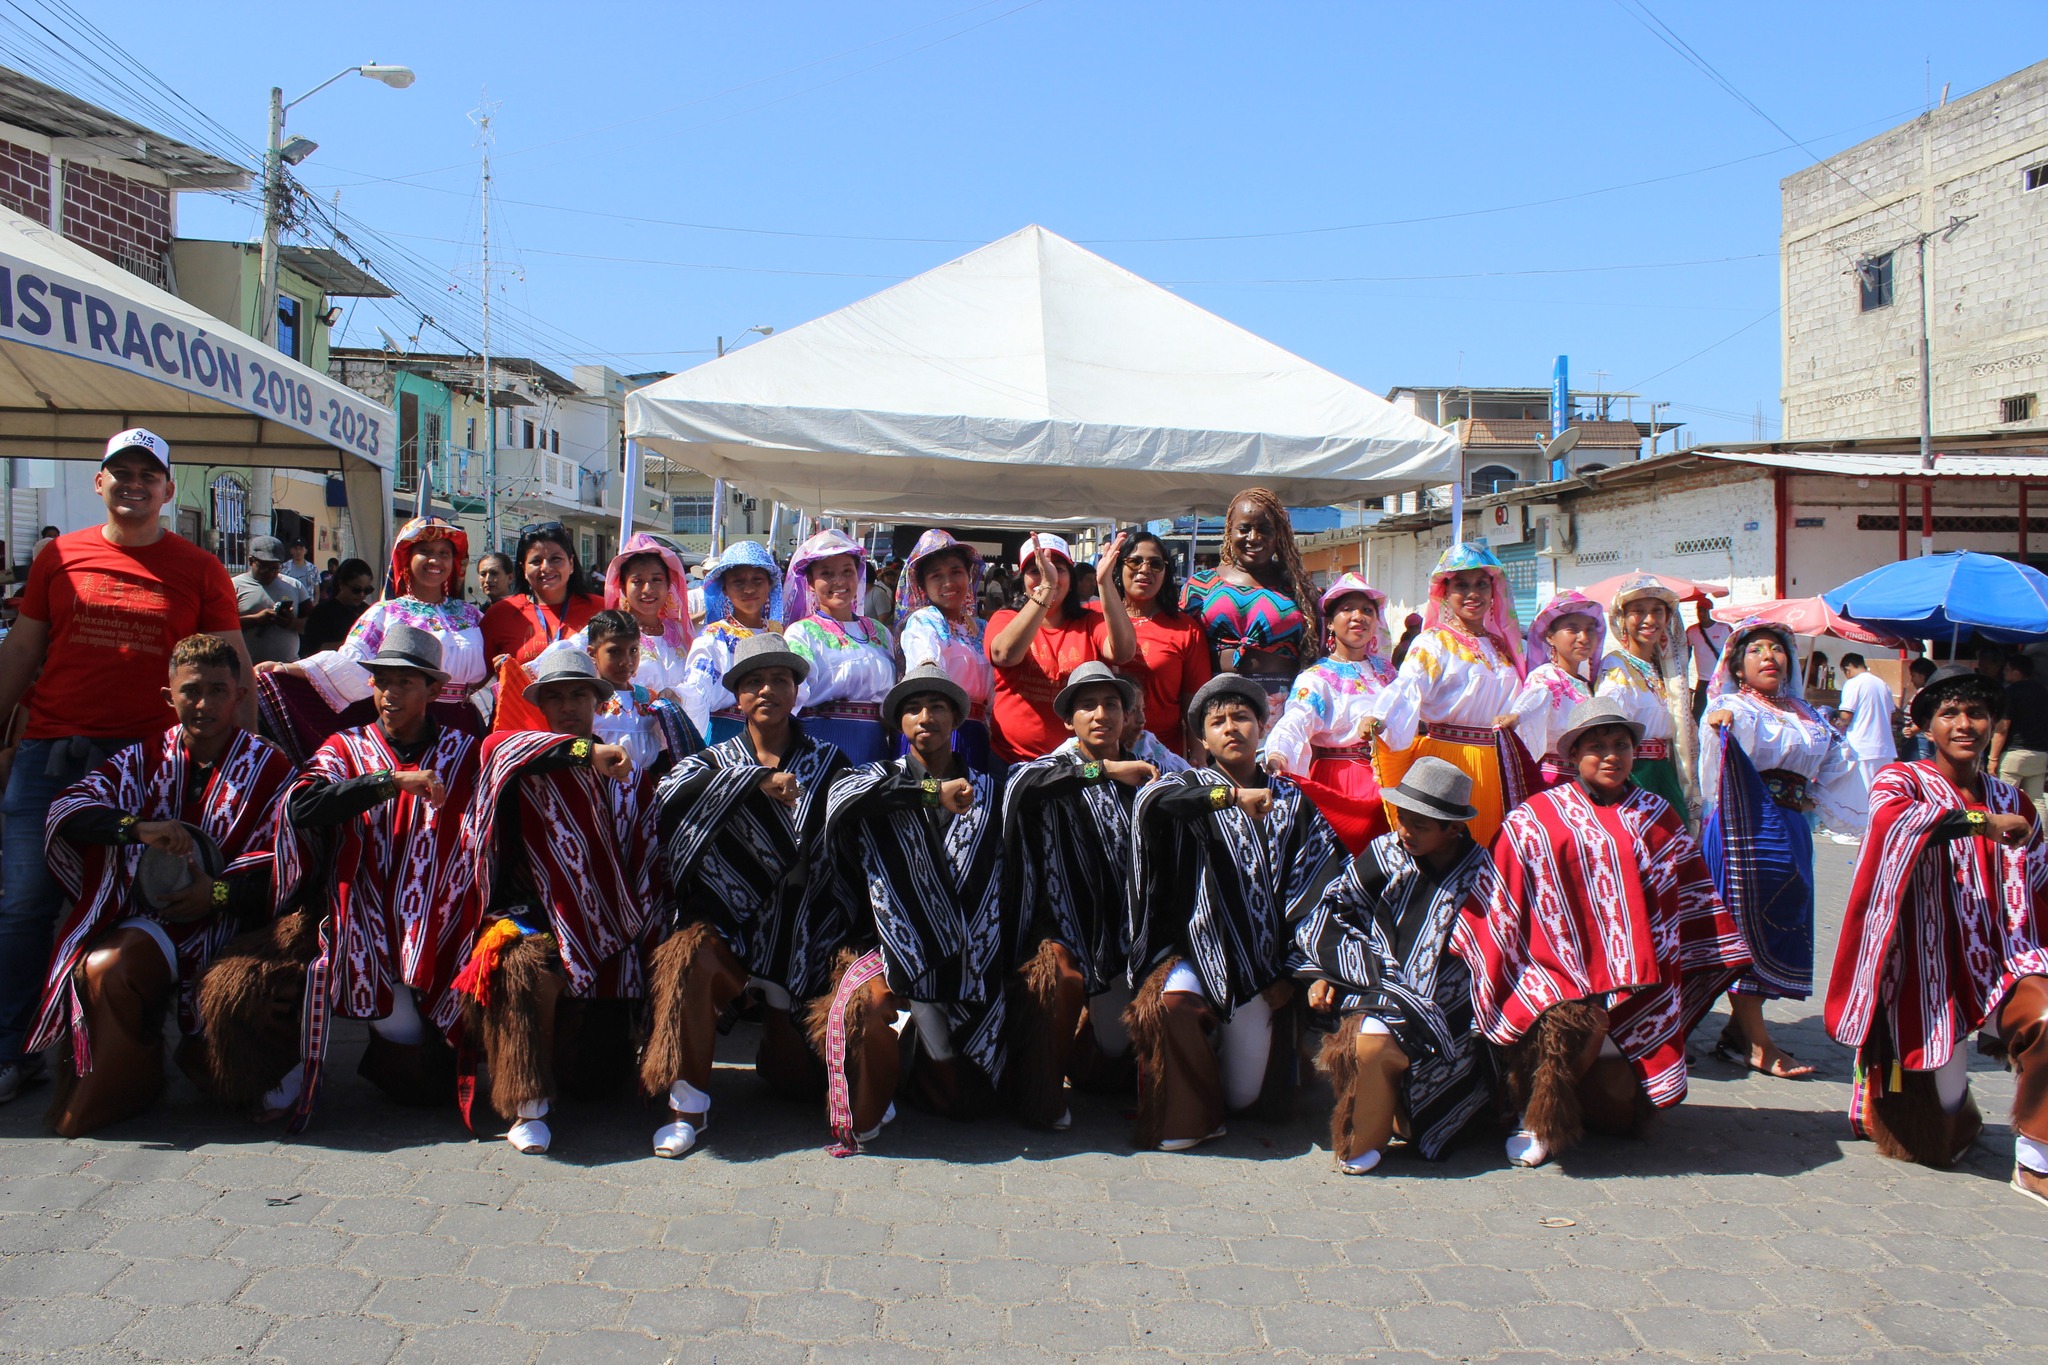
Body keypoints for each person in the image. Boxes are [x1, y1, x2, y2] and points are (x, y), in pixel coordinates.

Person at [0, 428, 248, 1105]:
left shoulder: (200, 568)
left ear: (167, 490)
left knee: (145, 903)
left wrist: (244, 759)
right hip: (51, 755)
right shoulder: (58, 556)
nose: (134, 484)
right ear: (99, 482)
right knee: (24, 904)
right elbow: (21, 651)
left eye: (148, 475)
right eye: (121, 473)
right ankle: (11, 1049)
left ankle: (129, 1052)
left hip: (151, 763)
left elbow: (232, 669)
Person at [1454, 695, 1750, 1169]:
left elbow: (1686, 895)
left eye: (1621, 745)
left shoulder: (1657, 815)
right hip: (1552, 973)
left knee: (1616, 1115)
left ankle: (1596, 1094)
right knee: (1571, 1031)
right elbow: (1502, 898)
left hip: (1640, 982)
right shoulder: (1535, 818)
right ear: (1574, 754)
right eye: (1597, 747)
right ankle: (1534, 1116)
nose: (1611, 756)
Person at [28, 635, 295, 1136]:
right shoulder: (142, 759)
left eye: (218, 690)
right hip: (155, 919)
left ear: (240, 695)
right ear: (167, 696)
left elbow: (291, 871)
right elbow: (69, 807)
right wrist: (136, 828)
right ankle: (129, 1082)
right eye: (190, 691)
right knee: (107, 968)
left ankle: (221, 1060)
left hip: (237, 926)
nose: (203, 704)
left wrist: (215, 895)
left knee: (233, 1079)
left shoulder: (272, 768)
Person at [1824, 665, 2048, 1196]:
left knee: (2046, 1017)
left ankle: (2035, 1161)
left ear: (1994, 724)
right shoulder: (1900, 780)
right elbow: (1893, 822)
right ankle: (1953, 1104)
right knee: (1935, 1142)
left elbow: (2039, 879)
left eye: (1977, 713)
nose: (1964, 724)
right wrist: (1978, 822)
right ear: (1926, 726)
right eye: (1949, 713)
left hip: (2002, 964)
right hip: (1923, 972)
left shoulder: (2015, 800)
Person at [256, 626, 487, 1130]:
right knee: (411, 1070)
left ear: (432, 689)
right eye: (382, 681)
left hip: (442, 917)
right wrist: (387, 782)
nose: (390, 693)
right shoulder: (346, 747)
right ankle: (312, 1063)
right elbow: (302, 806)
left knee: (433, 1080)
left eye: (405, 682)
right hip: (361, 909)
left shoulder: (465, 751)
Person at [646, 633, 851, 1158]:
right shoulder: (713, 759)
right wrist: (755, 781)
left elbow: (867, 801)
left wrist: (931, 792)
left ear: (796, 691)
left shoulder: (828, 760)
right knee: (689, 959)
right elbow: (668, 792)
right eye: (754, 681)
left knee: (796, 1083)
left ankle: (778, 1033)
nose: (767, 690)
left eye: (779, 679)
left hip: (800, 931)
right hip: (728, 922)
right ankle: (688, 1107)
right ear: (736, 697)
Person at [1127, 675, 1344, 1152]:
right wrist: (1228, 798)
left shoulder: (1293, 803)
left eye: (1242, 717)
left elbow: (1321, 889)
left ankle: (1218, 1063)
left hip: (1261, 971)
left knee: (1243, 1097)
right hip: (1195, 954)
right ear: (1203, 740)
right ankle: (1193, 1117)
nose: (1231, 727)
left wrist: (1297, 973)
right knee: (1174, 1002)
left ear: (1261, 729)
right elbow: (1152, 804)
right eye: (1218, 721)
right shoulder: (1185, 786)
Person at [447, 650, 646, 1156]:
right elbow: (500, 746)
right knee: (518, 967)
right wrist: (585, 753)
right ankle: (527, 1104)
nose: (567, 706)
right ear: (539, 705)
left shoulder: (625, 768)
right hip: (528, 914)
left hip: (606, 922)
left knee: (599, 1082)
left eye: (579, 694)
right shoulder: (517, 753)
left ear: (598, 702)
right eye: (554, 696)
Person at [814, 664, 1012, 1150]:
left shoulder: (992, 788)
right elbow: (842, 799)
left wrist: (1104, 769)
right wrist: (930, 792)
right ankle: (899, 1080)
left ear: (956, 719)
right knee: (873, 1008)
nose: (926, 718)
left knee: (972, 1103)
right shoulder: (871, 779)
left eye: (938, 707)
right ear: (899, 723)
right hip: (887, 945)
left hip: (970, 951)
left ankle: (932, 1067)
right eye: (914, 709)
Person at [1289, 757, 1496, 1173]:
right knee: (1372, 1040)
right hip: (1378, 982)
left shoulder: (1481, 873)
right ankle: (1362, 1142)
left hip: (1452, 1001)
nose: (1405, 831)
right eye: (1402, 818)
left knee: (1419, 1059)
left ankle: (1420, 1115)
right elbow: (1336, 913)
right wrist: (1328, 973)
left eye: (1420, 825)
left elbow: (1494, 946)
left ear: (1453, 829)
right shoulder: (1385, 854)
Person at [1700, 620, 1868, 1080]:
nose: (1769, 656)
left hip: (1791, 824)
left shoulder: (1806, 713)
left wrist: (1820, 800)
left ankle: (1737, 1033)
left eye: (1776, 649)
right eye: (1756, 650)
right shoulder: (1733, 706)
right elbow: (1716, 747)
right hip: (1746, 824)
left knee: (1781, 920)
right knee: (1748, 925)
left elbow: (1838, 763)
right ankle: (1759, 1043)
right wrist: (1720, 724)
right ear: (1737, 667)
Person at [1001, 661, 1156, 1129]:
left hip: (1124, 936)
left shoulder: (1150, 772)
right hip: (1061, 926)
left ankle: (1090, 1061)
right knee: (1058, 976)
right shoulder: (1050, 768)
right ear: (1069, 720)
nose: (1101, 714)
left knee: (1111, 1053)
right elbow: (1020, 786)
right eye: (1087, 705)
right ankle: (1040, 1094)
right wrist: (1104, 770)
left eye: (1111, 704)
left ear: (1127, 715)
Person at [255, 517, 487, 762]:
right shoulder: (386, 613)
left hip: (465, 726)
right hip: (407, 725)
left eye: (443, 553)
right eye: (425, 551)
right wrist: (288, 669)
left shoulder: (472, 615)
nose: (435, 560)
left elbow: (495, 668)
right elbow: (352, 663)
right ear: (406, 558)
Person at [1373, 542, 1530, 847]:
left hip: (1498, 765)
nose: (1473, 593)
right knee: (1447, 850)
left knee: (1492, 851)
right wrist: (1381, 718)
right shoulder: (1433, 642)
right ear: (1445, 592)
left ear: (1493, 590)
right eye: (1461, 585)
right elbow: (1408, 685)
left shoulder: (1504, 645)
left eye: (1481, 584)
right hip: (1446, 761)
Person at [1263, 574, 1397, 851]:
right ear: (1331, 623)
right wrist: (1278, 755)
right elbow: (1295, 721)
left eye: (1367, 610)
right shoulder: (1316, 678)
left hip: (1389, 776)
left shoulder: (1388, 672)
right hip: (1341, 784)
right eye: (1347, 609)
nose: (1358, 616)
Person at [986, 532, 1136, 764]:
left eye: (1058, 569)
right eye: (1036, 570)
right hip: (1011, 760)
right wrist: (1047, 587)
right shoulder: (1005, 618)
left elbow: (1123, 653)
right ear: (1022, 580)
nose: (1049, 574)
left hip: (1079, 763)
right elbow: (1004, 655)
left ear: (1071, 579)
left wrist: (1105, 583)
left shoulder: (1090, 620)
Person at [1180, 489, 1317, 709]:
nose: (1254, 537)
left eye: (1264, 529)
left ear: (1278, 534)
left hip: (1283, 706)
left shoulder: (1298, 587)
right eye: (1244, 529)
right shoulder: (1199, 586)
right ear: (1229, 531)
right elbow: (1181, 649)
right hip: (1215, 704)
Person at [782, 529, 899, 766]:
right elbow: (792, 700)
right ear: (811, 582)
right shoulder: (801, 633)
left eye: (847, 571)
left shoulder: (879, 632)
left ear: (858, 574)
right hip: (820, 744)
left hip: (874, 744)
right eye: (826, 573)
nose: (839, 581)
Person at [1597, 575, 1699, 823]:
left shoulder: (1665, 672)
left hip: (1664, 771)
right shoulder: (1616, 666)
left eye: (1657, 611)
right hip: (1634, 774)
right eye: (1639, 611)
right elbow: (1607, 727)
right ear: (1622, 619)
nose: (1650, 620)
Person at [895, 530, 997, 772]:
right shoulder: (925, 620)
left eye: (956, 572)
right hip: (938, 732)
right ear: (923, 585)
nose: (948, 582)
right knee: (935, 791)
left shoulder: (982, 627)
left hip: (977, 733)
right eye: (936, 576)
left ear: (969, 575)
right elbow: (928, 672)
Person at [1109, 531, 1210, 759]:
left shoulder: (1186, 629)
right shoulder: (1094, 618)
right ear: (1119, 567)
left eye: (1155, 564)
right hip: (1100, 754)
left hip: (1161, 757)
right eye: (1135, 561)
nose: (1145, 569)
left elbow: (1194, 704)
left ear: (1166, 572)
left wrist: (1198, 757)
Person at [681, 541, 785, 744]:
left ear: (769, 584)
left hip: (774, 736)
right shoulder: (715, 635)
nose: (749, 589)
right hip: (729, 735)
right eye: (738, 582)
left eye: (757, 580)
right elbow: (697, 691)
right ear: (725, 589)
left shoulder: (777, 632)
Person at [577, 610, 702, 774]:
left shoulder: (649, 699)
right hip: (595, 782)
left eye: (633, 650)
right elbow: (568, 745)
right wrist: (591, 754)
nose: (626, 661)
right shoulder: (586, 700)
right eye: (614, 651)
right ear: (592, 653)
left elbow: (665, 750)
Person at [1510, 591, 1606, 788]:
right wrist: (1515, 716)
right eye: (1573, 629)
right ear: (1550, 637)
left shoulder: (1587, 684)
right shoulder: (1546, 676)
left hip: (1586, 780)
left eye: (1589, 629)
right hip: (1555, 780)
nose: (1584, 638)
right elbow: (1530, 706)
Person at [481, 522, 603, 672]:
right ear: (523, 568)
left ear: (571, 563)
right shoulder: (500, 614)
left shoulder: (602, 610)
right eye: (536, 561)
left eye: (555, 559)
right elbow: (479, 677)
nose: (546, 567)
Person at [232, 535, 309, 667]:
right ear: (251, 561)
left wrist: (292, 623)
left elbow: (312, 626)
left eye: (275, 568)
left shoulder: (294, 586)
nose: (269, 573)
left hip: (287, 669)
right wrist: (256, 619)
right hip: (246, 669)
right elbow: (222, 627)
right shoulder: (233, 586)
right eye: (263, 567)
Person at [1837, 652, 1899, 798]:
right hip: (1885, 749)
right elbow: (1893, 715)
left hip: (1862, 749)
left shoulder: (1853, 683)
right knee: (1883, 794)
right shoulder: (1882, 684)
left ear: (1848, 668)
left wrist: (1837, 720)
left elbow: (1846, 716)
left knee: (1863, 795)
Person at [1992, 654, 2048, 816]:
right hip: (2040, 753)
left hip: (2014, 753)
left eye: (2007, 669)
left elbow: (2002, 728)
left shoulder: (2010, 693)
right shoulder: (2043, 692)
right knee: (2037, 799)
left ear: (2017, 672)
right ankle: (2042, 832)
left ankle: (2003, 831)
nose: (2004, 672)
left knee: (2004, 799)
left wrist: (1992, 758)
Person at [302, 558, 376, 655]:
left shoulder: (369, 612)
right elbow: (314, 649)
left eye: (367, 590)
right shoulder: (321, 613)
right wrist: (352, 643)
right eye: (356, 590)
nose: (362, 595)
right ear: (341, 584)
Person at [1684, 602, 1732, 720]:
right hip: (1703, 681)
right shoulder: (1692, 631)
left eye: (1705, 610)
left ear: (1711, 611)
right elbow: (1685, 656)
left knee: (1723, 713)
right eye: (1699, 610)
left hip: (1722, 680)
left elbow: (1735, 652)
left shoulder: (1724, 628)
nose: (1702, 613)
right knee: (1697, 715)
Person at [1899, 657, 1938, 760]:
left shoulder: (1925, 693)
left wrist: (1912, 730)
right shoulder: (1925, 692)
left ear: (1922, 676)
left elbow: (1927, 716)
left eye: (1913, 676)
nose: (1912, 680)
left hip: (1920, 740)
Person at [864, 558, 902, 625]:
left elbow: (882, 625)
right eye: (887, 575)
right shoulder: (854, 595)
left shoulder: (878, 594)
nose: (890, 577)